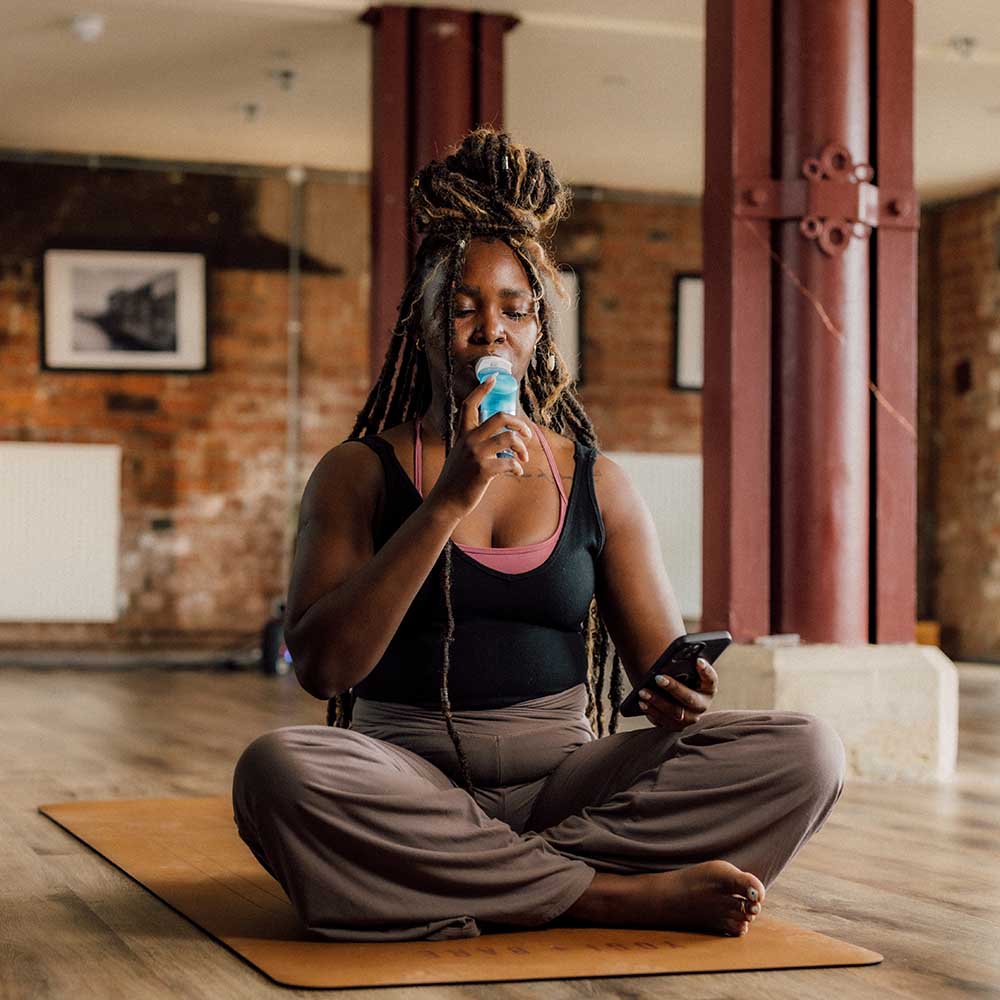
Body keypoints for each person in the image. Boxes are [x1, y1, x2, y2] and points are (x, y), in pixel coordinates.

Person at [232, 126, 845, 944]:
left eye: (515, 311)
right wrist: (447, 501)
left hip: (564, 782)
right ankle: (607, 896)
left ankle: (473, 877)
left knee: (808, 752)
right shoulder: (359, 472)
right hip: (406, 776)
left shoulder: (596, 481)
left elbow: (655, 678)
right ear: (422, 325)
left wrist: (683, 696)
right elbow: (323, 668)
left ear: (538, 333)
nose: (491, 331)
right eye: (462, 308)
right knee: (278, 773)